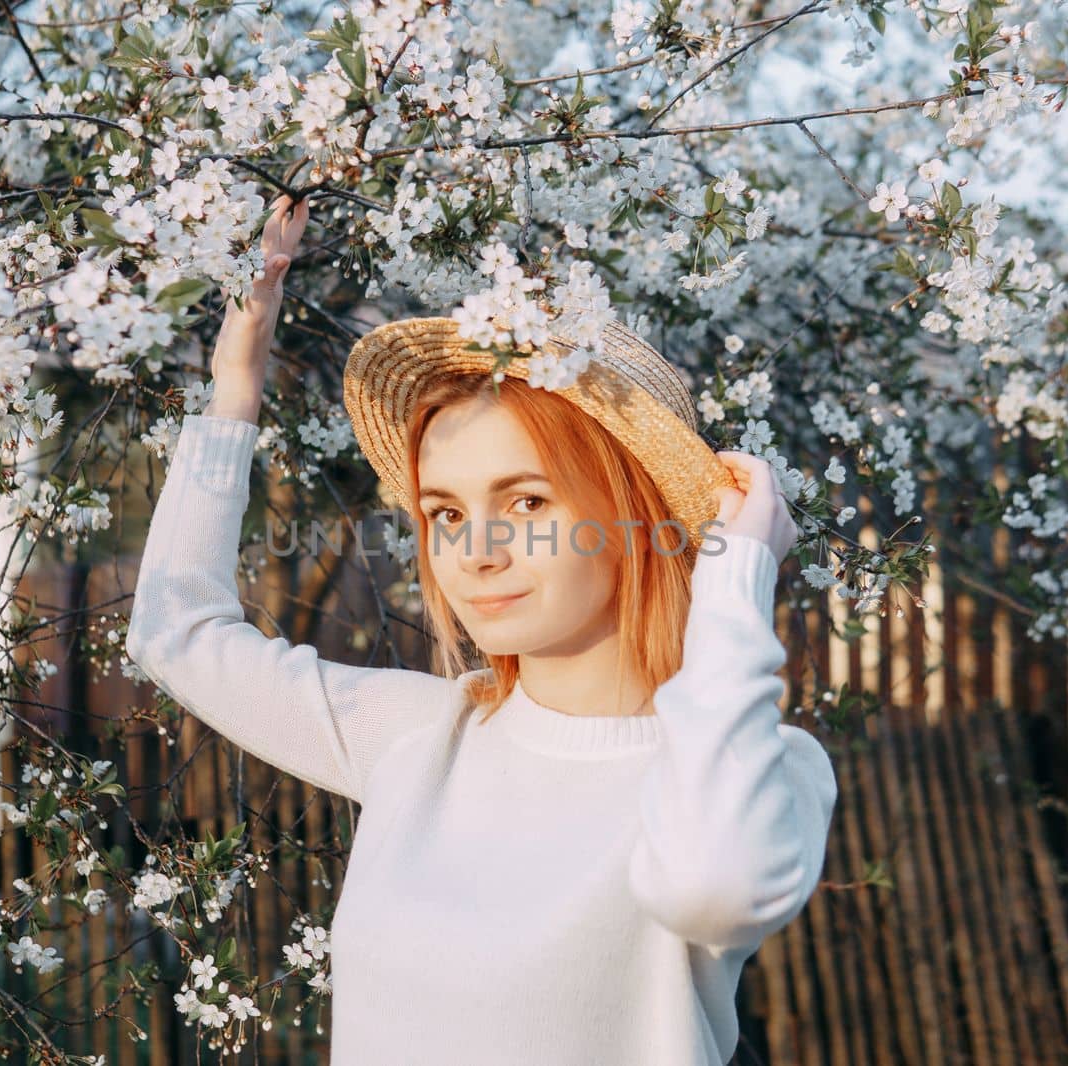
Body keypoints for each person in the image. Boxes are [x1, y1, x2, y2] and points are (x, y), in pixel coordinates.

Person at [126, 193, 839, 1065]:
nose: (476, 552)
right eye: (445, 513)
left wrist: (736, 571)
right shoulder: (421, 738)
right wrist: (235, 389)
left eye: (526, 500)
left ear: (631, 513)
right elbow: (176, 631)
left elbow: (711, 887)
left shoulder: (759, 773)